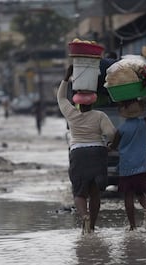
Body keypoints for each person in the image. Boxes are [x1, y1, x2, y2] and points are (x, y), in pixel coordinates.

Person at [57, 65, 116, 234]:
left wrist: (66, 77)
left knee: (79, 192)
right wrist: (111, 145)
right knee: (94, 192)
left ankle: (84, 216)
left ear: (77, 103)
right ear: (93, 102)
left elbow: (61, 98)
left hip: (78, 153)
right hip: (98, 152)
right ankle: (92, 226)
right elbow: (111, 133)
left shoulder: (71, 114)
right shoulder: (99, 116)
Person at [109, 82, 146, 231]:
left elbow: (113, 146)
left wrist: (107, 147)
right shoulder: (144, 123)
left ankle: (132, 226)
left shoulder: (120, 129)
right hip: (142, 166)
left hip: (126, 168)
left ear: (123, 112)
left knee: (128, 196)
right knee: (141, 192)